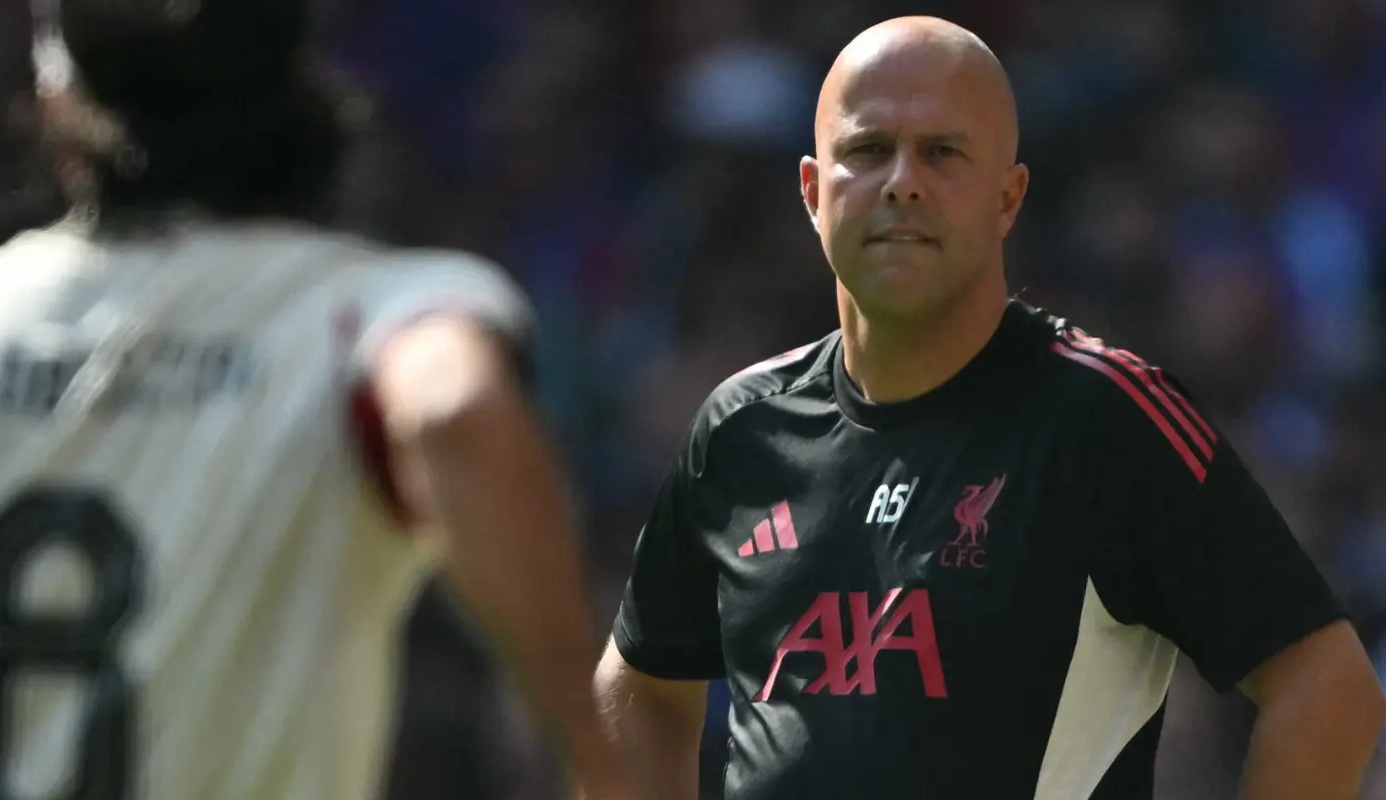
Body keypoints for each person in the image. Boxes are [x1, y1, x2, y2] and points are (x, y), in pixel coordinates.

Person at [0, 0, 632, 798]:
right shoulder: (362, 317)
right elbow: (452, 409)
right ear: (298, 79)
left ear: (56, 98)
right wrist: (595, 745)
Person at [593, 15, 1386, 800]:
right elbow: (637, 692)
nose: (902, 181)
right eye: (867, 150)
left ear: (1008, 198)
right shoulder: (738, 430)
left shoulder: (1103, 419)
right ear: (811, 192)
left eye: (943, 152)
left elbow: (1328, 689)